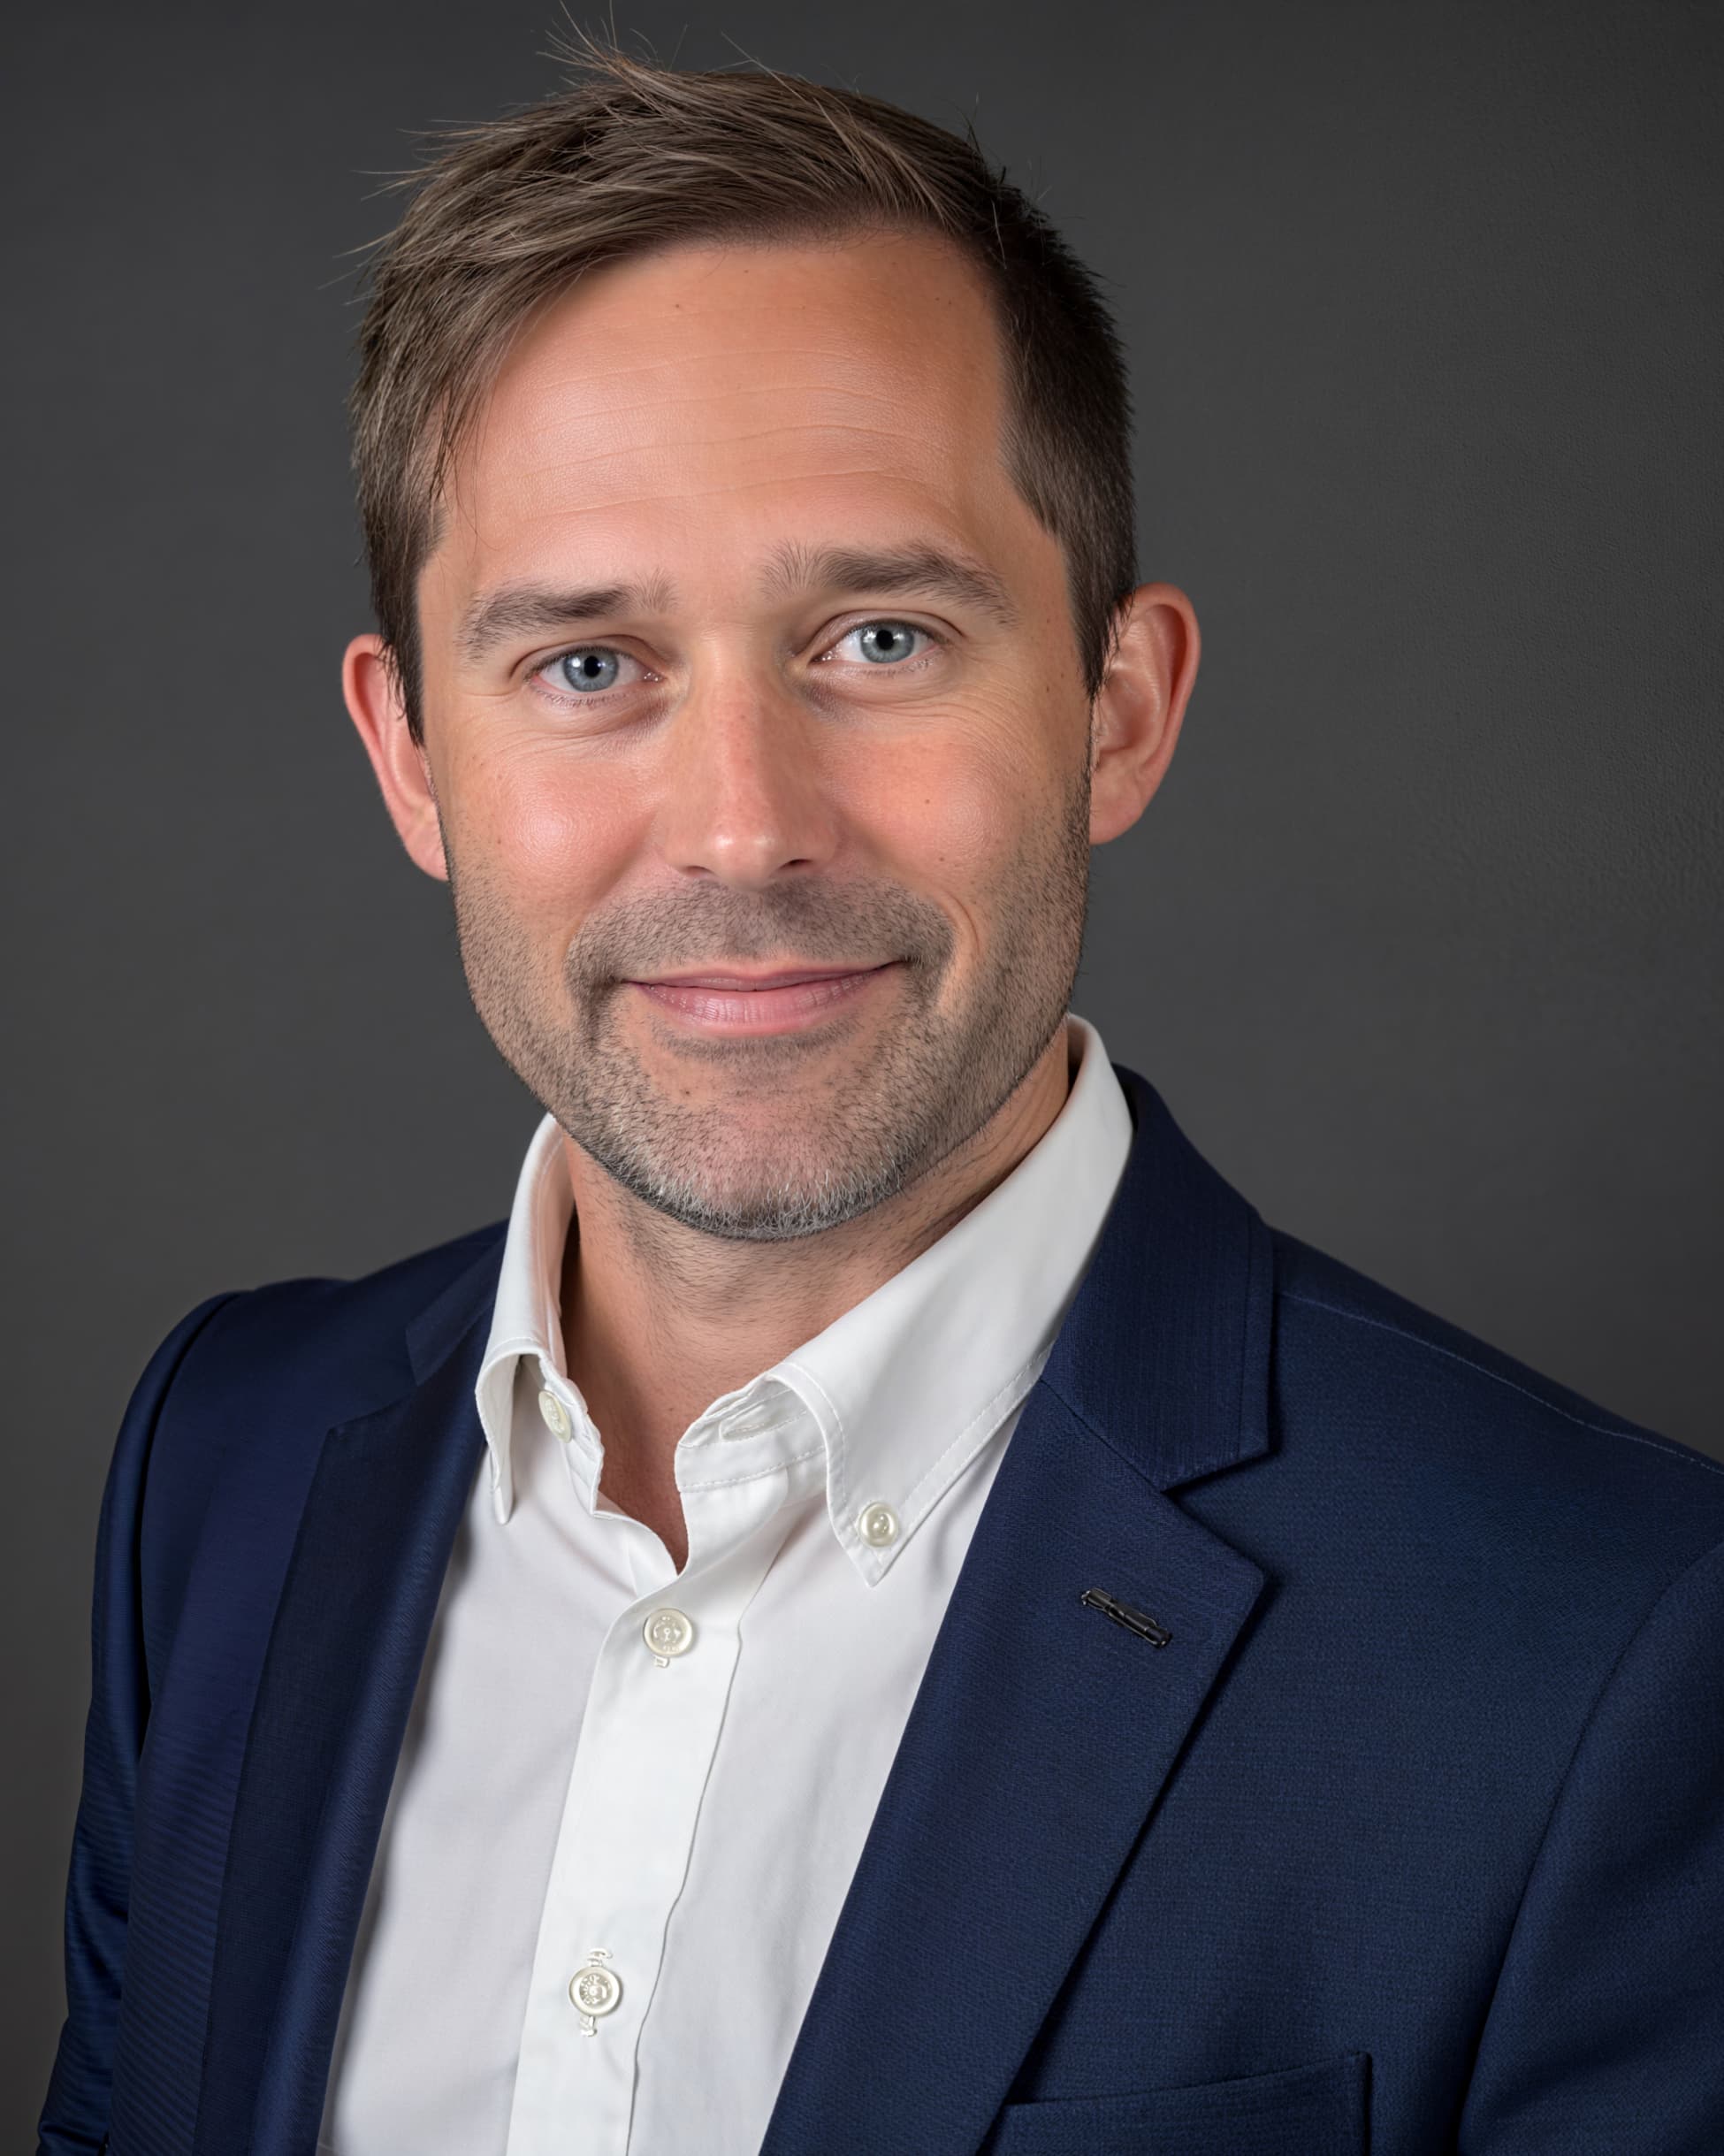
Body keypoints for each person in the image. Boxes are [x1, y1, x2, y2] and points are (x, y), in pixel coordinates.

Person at [38, 42, 1724, 2156]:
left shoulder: (1613, 1641)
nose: (742, 826)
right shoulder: (224, 1464)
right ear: (412, 761)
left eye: (881, 640)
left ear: (1117, 710)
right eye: (587, 665)